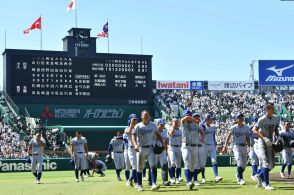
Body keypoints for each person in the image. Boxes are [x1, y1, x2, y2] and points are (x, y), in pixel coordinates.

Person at [132, 110, 164, 192]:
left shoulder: (153, 125)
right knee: (140, 167)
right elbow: (133, 136)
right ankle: (139, 185)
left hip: (151, 148)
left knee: (153, 166)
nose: (146, 116)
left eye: (148, 115)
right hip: (141, 148)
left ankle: (153, 184)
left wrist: (162, 143)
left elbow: (158, 134)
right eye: (145, 115)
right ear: (141, 116)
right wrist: (135, 145)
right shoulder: (138, 126)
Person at [253, 103, 280, 190]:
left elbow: (276, 128)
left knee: (272, 165)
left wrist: (278, 137)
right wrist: (264, 138)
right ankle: (267, 184)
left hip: (271, 141)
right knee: (266, 163)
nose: (273, 110)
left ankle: (259, 176)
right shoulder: (262, 119)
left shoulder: (276, 118)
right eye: (272, 109)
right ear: (267, 110)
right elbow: (254, 130)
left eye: (273, 108)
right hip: (262, 141)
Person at [222, 113, 250, 185]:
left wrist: (249, 146)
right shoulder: (233, 127)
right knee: (239, 162)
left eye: (242, 117)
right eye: (239, 117)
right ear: (236, 119)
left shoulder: (246, 127)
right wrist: (225, 146)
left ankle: (238, 174)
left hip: (244, 146)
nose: (241, 118)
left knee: (244, 165)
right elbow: (228, 136)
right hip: (236, 146)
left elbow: (247, 137)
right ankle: (240, 179)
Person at [180, 110, 204, 190]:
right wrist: (193, 119)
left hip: (194, 146)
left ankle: (190, 181)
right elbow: (185, 118)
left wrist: (202, 138)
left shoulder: (195, 124)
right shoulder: (183, 122)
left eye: (189, 115)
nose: (187, 117)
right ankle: (188, 182)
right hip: (185, 145)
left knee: (193, 167)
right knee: (187, 162)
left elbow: (201, 132)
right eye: (186, 115)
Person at [198, 114, 222, 184]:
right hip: (204, 145)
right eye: (210, 119)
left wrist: (215, 142)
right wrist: (205, 119)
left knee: (214, 161)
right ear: (207, 120)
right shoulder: (202, 126)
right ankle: (203, 177)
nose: (211, 120)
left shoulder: (213, 127)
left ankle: (216, 176)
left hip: (212, 145)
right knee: (203, 163)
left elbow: (213, 135)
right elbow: (199, 125)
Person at [124, 114, 138, 188]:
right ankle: (135, 182)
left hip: (138, 150)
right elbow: (129, 131)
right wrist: (131, 123)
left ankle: (131, 179)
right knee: (132, 166)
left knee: (138, 167)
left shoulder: (138, 127)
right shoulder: (127, 128)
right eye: (133, 119)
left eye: (135, 119)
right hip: (130, 149)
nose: (135, 121)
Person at [156, 118, 171, 186]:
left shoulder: (165, 132)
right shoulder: (154, 131)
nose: (162, 126)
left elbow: (167, 141)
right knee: (153, 166)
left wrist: (167, 147)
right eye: (161, 125)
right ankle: (151, 180)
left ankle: (165, 181)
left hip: (162, 151)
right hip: (154, 150)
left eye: (163, 125)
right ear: (158, 125)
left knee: (164, 165)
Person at [168, 118, 182, 184]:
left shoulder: (180, 131)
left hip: (178, 147)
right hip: (172, 147)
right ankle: (172, 178)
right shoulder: (169, 128)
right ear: (172, 123)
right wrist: (173, 127)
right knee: (172, 163)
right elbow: (170, 134)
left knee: (178, 164)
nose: (176, 123)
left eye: (177, 122)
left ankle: (177, 178)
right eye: (174, 122)